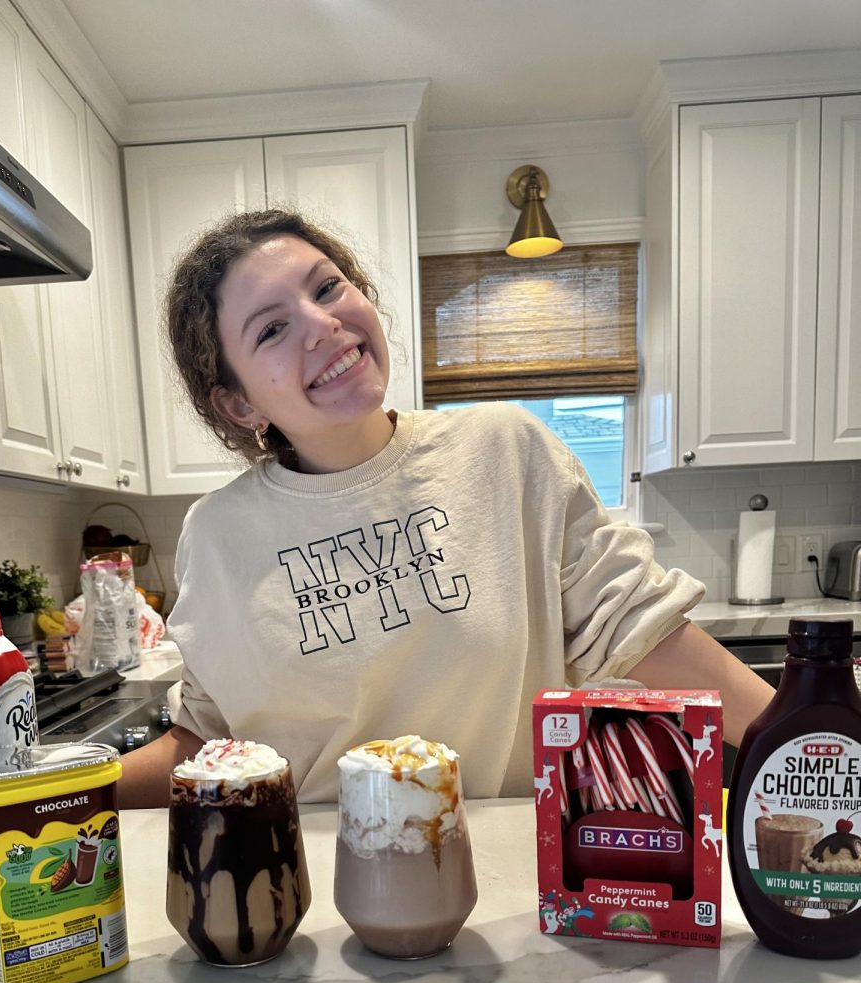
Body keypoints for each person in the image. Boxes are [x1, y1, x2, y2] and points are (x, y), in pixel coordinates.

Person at [117, 208, 773, 808]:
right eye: (272, 329)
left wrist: (819, 740)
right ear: (239, 404)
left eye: (327, 288)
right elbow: (205, 742)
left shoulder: (505, 452)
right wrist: (57, 795)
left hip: (504, 889)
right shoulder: (216, 533)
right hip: (312, 897)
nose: (322, 325)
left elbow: (641, 631)